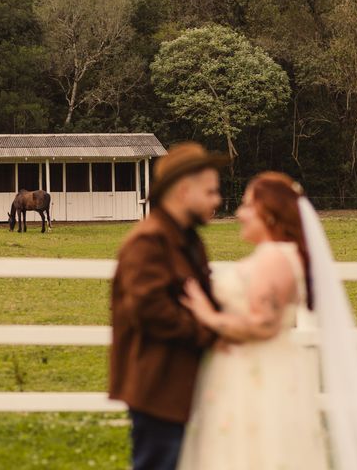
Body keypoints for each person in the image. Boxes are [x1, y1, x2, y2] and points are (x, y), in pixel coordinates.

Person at [178, 172, 357, 470]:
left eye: (247, 206)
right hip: (250, 368)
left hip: (261, 372)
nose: (239, 214)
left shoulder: (275, 258)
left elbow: (264, 325)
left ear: (269, 212)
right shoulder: (277, 254)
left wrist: (208, 317)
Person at [109, 141, 228, 470]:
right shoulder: (148, 242)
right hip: (158, 384)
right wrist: (207, 331)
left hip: (178, 383)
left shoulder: (186, 238)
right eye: (210, 192)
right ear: (183, 191)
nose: (216, 200)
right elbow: (149, 309)